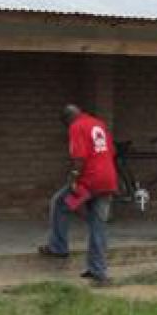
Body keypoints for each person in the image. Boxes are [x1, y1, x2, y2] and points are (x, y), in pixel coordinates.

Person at [38, 105, 118, 287]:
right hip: (108, 181)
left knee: (60, 204)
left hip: (88, 183)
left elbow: (79, 158)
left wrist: (74, 178)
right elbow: (111, 151)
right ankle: (98, 272)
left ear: (68, 120)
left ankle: (58, 247)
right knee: (98, 225)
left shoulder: (76, 127)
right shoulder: (98, 123)